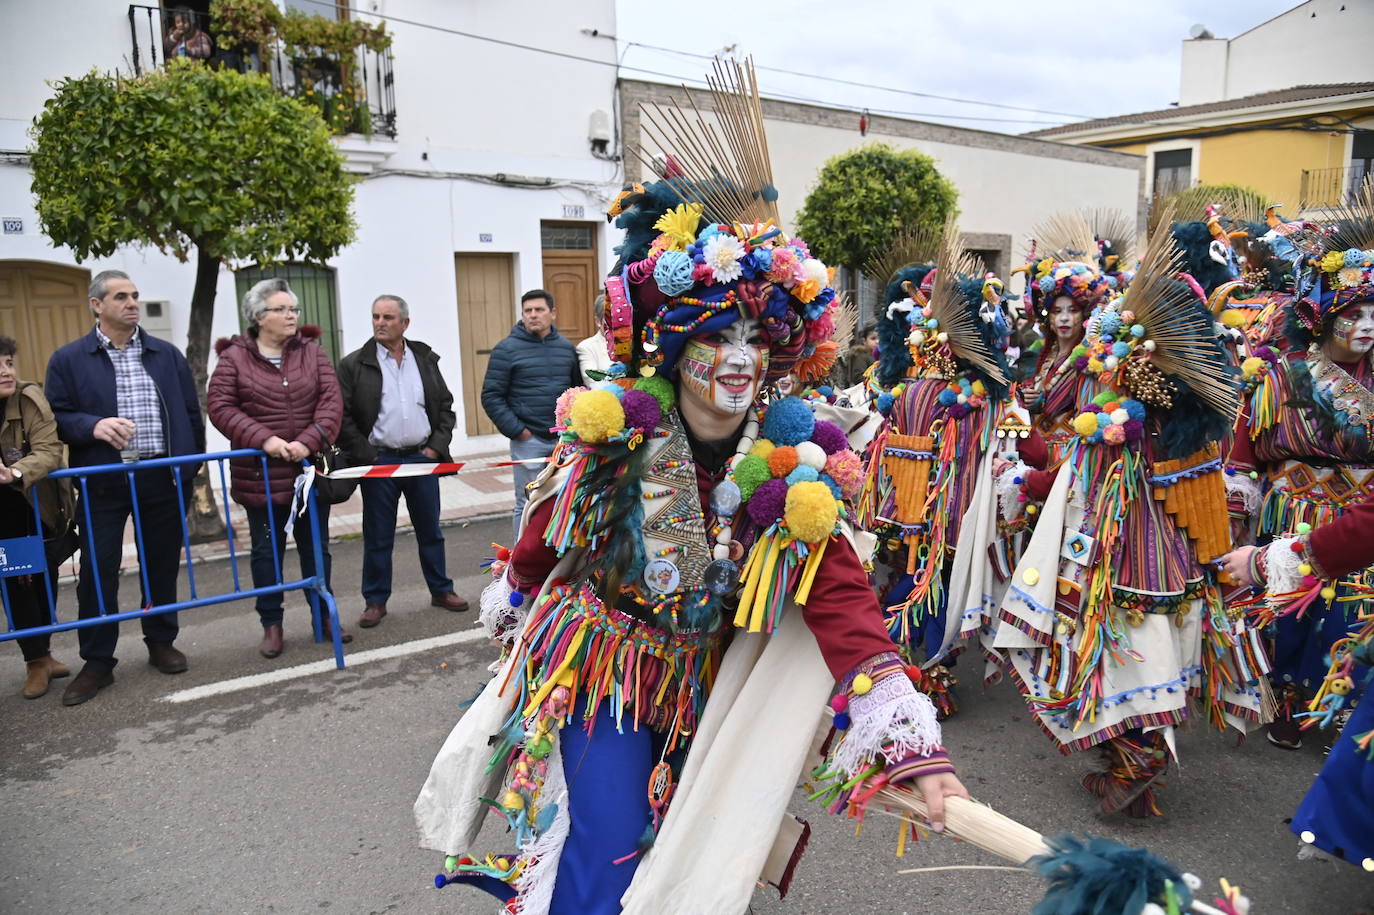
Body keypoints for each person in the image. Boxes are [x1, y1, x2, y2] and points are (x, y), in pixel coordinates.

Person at [416, 148, 966, 910]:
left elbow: (839, 594)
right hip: (602, 664)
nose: (739, 360)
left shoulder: (793, 462)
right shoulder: (617, 434)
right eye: (718, 336)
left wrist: (912, 744)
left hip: (702, 678)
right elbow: (547, 530)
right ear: (675, 346)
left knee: (682, 849)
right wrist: (517, 594)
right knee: (608, 843)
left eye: (755, 339)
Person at [986, 223, 1266, 818]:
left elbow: (1077, 462)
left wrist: (1026, 481)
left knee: (1107, 638)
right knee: (1155, 637)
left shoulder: (1127, 402)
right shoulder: (1196, 393)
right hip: (1178, 533)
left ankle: (1135, 754)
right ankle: (1134, 756)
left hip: (1121, 533)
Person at [1224, 190, 1374, 750]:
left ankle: (1337, 704)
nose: (1365, 327)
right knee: (1287, 611)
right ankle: (1282, 698)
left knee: (1348, 614)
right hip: (1293, 506)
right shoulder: (1281, 375)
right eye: (1353, 314)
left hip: (1359, 514)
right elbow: (1244, 448)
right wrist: (1238, 497)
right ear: (1325, 316)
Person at [44, 269, 205, 706]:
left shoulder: (164, 354)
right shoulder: (69, 359)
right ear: (97, 305)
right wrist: (93, 425)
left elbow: (191, 413)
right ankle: (97, 662)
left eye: (134, 295)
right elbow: (56, 417)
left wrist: (189, 472)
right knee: (97, 570)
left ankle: (160, 640)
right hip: (103, 481)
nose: (132, 303)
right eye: (120, 297)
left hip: (160, 474)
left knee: (161, 563)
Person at [208, 278, 348, 659]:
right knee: (267, 554)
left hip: (308, 473)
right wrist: (265, 439)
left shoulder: (312, 352)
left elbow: (331, 402)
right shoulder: (234, 358)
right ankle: (272, 624)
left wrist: (307, 440)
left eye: (294, 309)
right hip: (260, 477)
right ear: (258, 317)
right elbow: (220, 406)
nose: (292, 316)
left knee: (317, 549)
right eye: (282, 309)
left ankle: (324, 615)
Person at [337, 294, 468, 629]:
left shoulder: (424, 358)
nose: (380, 323)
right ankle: (375, 601)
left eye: (388, 317)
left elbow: (445, 406)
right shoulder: (355, 364)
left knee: (430, 530)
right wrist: (368, 456)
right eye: (376, 317)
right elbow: (344, 418)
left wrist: (435, 448)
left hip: (421, 458)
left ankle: (441, 589)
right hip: (379, 462)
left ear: (404, 323)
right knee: (378, 535)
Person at [0, 336, 76, 698]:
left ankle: (40, 657)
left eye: (9, 362)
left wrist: (14, 473)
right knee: (15, 586)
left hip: (26, 506)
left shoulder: (28, 398)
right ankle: (36, 658)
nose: (6, 371)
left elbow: (49, 450)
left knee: (36, 581)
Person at [480, 288, 580, 537]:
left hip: (562, 441)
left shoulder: (566, 349)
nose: (533, 315)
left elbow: (577, 390)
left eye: (539, 310)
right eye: (528, 311)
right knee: (526, 502)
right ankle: (520, 567)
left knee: (564, 501)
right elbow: (491, 396)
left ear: (552, 313)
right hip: (529, 441)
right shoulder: (506, 349)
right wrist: (519, 432)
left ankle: (555, 560)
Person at [575, 294, 612, 386]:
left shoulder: (633, 343)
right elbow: (593, 382)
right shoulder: (586, 347)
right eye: (609, 318)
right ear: (598, 321)